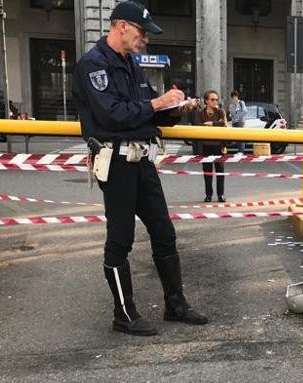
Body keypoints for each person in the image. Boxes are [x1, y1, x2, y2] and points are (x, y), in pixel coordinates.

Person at [74, 0, 208, 336]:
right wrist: (155, 103)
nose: (145, 39)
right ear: (121, 26)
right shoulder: (93, 65)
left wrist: (175, 108)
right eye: (141, 32)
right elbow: (112, 115)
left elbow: (149, 111)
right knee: (120, 239)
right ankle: (124, 313)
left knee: (164, 232)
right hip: (116, 160)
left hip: (142, 159)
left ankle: (175, 303)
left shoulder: (131, 65)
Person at [195, 90, 228, 203]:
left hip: (219, 146)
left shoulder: (221, 112)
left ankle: (221, 194)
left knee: (220, 172)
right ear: (206, 101)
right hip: (205, 147)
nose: (215, 101)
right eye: (212, 99)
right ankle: (208, 195)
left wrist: (211, 123)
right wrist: (215, 123)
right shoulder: (200, 113)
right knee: (207, 173)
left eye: (216, 99)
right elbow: (199, 127)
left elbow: (224, 124)